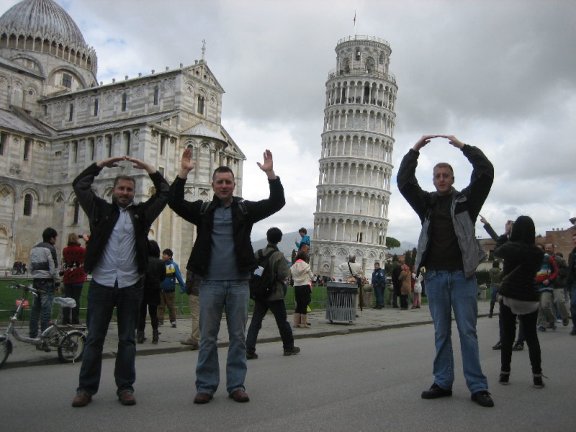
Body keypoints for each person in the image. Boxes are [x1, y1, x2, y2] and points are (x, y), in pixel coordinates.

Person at [168, 147, 285, 404]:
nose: (223, 186)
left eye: (228, 182)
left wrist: (270, 174)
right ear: (212, 184)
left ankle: (236, 385)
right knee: (208, 338)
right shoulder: (203, 209)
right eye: (219, 182)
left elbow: (277, 203)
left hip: (239, 283)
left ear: (234, 185)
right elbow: (174, 201)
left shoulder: (244, 209)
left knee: (238, 338)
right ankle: (206, 386)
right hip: (209, 283)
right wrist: (183, 173)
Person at [397, 134, 494, 408]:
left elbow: (485, 173)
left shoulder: (466, 201)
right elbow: (404, 182)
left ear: (452, 179)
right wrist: (414, 150)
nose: (441, 179)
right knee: (441, 332)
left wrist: (464, 147)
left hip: (463, 277)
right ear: (433, 179)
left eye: (446, 175)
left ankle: (477, 386)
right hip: (436, 277)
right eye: (437, 175)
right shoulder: (426, 204)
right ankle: (442, 381)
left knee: (467, 332)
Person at [71, 155, 169, 408]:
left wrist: (149, 168)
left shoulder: (141, 215)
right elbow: (80, 185)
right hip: (102, 283)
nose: (125, 193)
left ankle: (125, 387)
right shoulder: (100, 210)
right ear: (113, 191)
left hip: (130, 284)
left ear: (134, 193)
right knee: (94, 338)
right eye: (121, 189)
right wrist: (101, 165)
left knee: (127, 339)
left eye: (129, 189)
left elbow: (164, 193)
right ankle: (86, 389)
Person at [493, 216, 545, 388]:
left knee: (507, 336)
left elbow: (497, 250)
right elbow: (535, 269)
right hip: (530, 297)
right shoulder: (538, 253)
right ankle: (537, 376)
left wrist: (505, 233)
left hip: (509, 296)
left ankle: (504, 374)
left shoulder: (510, 248)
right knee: (532, 337)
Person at [246, 227, 300, 359]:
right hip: (274, 293)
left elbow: (252, 271)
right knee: (282, 322)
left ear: (267, 237)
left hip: (259, 293)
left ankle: (249, 349)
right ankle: (288, 347)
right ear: (280, 239)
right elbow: (284, 274)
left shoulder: (258, 253)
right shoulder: (278, 256)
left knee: (255, 322)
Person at [29, 227, 60, 344]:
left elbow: (30, 267)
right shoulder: (51, 249)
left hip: (36, 280)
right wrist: (57, 281)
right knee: (46, 309)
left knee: (35, 308)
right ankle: (45, 335)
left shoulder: (34, 248)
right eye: (55, 237)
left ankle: (32, 334)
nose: (56, 240)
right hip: (46, 282)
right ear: (51, 238)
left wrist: (37, 274)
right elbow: (54, 268)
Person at [137, 240, 166, 344]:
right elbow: (163, 277)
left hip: (143, 289)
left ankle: (140, 335)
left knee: (142, 313)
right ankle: (155, 335)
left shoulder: (143, 260)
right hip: (155, 289)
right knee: (154, 314)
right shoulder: (161, 263)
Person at [61, 233, 87, 325]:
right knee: (76, 299)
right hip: (78, 277)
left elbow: (65, 261)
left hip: (68, 277)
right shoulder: (82, 250)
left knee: (67, 299)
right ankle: (75, 319)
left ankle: (65, 319)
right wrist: (85, 240)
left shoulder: (65, 250)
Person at [158, 248, 186, 328]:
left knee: (171, 306)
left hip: (170, 290)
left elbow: (179, 277)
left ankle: (173, 321)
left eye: (165, 254)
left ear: (169, 256)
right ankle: (160, 321)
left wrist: (183, 286)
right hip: (161, 290)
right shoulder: (161, 265)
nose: (163, 256)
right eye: (163, 254)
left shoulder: (174, 265)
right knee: (160, 306)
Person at [535, 244, 558, 331]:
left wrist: (549, 279)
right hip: (536, 285)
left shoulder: (548, 258)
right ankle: (542, 324)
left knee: (544, 305)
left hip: (546, 285)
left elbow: (556, 271)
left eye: (540, 249)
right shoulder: (533, 259)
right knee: (539, 306)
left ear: (543, 250)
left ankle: (552, 320)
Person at [291, 250, 314, 328]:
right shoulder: (306, 265)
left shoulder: (293, 266)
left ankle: (296, 323)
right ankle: (303, 323)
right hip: (305, 286)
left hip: (297, 286)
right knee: (304, 304)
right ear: (304, 257)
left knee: (298, 304)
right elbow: (312, 276)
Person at [180, 270, 200, 350]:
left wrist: (187, 291)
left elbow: (189, 280)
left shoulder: (193, 263)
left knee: (196, 316)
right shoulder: (208, 260)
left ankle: (194, 339)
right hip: (206, 292)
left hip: (195, 292)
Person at [567, 231, 576, 335]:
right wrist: (568, 283)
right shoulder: (572, 254)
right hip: (574, 282)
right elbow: (570, 269)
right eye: (574, 239)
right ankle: (575, 326)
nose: (575, 241)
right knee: (573, 304)